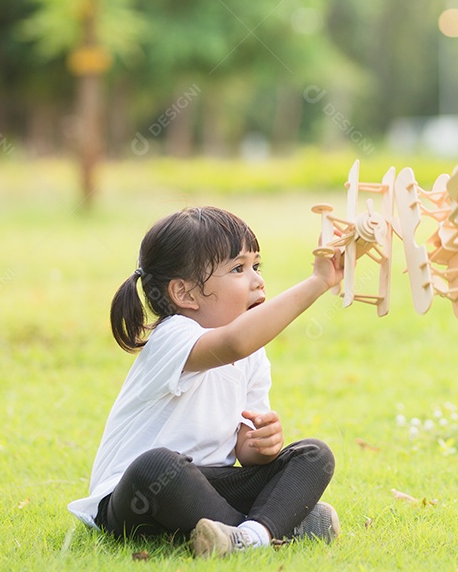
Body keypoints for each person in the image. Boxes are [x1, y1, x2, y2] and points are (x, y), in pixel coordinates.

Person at [68, 206, 344, 558]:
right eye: (238, 269)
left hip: (208, 488)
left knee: (314, 455)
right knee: (158, 465)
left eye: (256, 266)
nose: (257, 280)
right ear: (185, 295)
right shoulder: (174, 336)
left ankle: (251, 535)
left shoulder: (253, 356)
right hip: (136, 500)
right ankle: (277, 527)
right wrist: (318, 282)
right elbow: (233, 342)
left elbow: (245, 451)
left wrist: (264, 444)